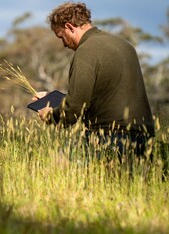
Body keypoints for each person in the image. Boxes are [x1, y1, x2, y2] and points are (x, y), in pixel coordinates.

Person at [35, 1, 155, 161]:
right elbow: (100, 97)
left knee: (56, 167)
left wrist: (51, 116)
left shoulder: (85, 51)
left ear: (70, 27)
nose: (63, 44)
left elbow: (76, 107)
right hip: (145, 139)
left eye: (61, 36)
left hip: (107, 138)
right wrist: (53, 99)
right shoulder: (125, 45)